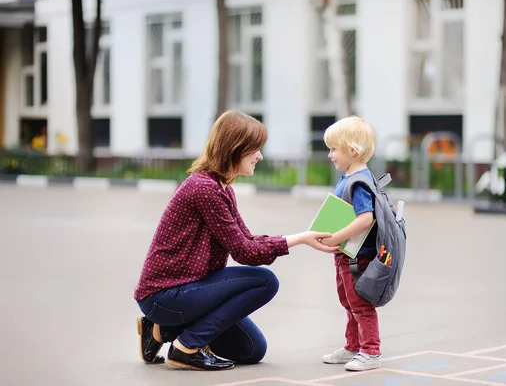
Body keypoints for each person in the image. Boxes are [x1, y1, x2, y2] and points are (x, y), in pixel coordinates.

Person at [134, 110, 338, 371]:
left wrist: (301, 237)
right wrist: (298, 240)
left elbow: (247, 239)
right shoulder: (204, 189)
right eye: (256, 149)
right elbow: (245, 252)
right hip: (165, 294)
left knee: (252, 349)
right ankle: (187, 347)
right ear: (236, 148)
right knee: (264, 281)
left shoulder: (222, 188)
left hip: (190, 289)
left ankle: (160, 331)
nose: (260, 156)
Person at [319, 116, 382, 371]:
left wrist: (336, 237)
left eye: (334, 149)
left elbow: (365, 219)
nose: (330, 155)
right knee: (348, 302)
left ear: (352, 150)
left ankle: (371, 351)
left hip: (357, 257)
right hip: (346, 254)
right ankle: (353, 346)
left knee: (360, 304)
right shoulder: (349, 176)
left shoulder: (358, 181)